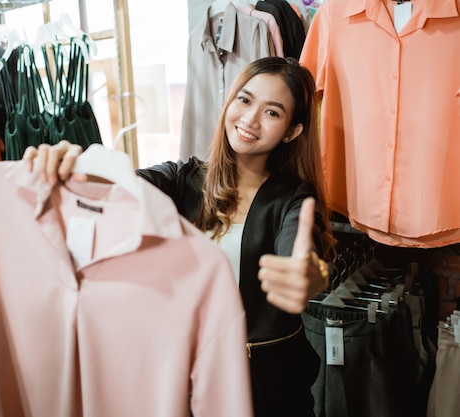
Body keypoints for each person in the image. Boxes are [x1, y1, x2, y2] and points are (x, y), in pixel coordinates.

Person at [23, 56, 335, 417]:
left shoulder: (293, 197)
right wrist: (75, 163)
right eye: (245, 100)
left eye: (272, 113)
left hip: (269, 388)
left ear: (292, 131)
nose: (250, 120)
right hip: (188, 379)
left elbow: (301, 251)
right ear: (229, 101)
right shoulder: (182, 179)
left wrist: (310, 274)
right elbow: (116, 182)